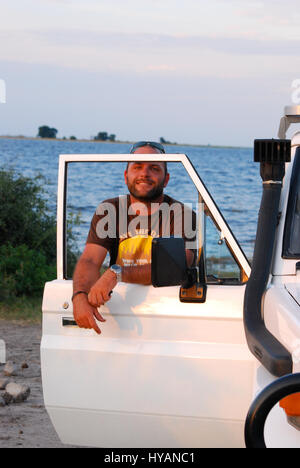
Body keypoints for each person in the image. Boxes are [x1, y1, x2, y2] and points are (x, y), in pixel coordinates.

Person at [72, 141, 196, 334]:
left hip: (165, 311)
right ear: (126, 175)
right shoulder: (110, 210)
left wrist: (116, 273)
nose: (144, 173)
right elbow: (89, 259)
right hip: (118, 309)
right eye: (137, 167)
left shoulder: (181, 214)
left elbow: (176, 266)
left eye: (154, 168)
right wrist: (79, 296)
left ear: (166, 179)